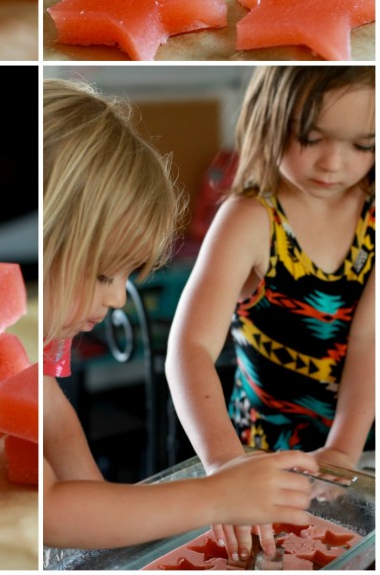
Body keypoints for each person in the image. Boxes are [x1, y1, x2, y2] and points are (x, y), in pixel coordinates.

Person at [43, 77, 317, 553]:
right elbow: (49, 512)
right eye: (104, 274)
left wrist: (104, 543)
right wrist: (215, 497)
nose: (115, 301)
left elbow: (63, 441)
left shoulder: (40, 346)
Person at [166, 65, 374, 564]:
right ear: (269, 119)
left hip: (357, 440)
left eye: (363, 145)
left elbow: (370, 340)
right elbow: (190, 349)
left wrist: (344, 451)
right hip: (259, 453)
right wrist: (223, 464)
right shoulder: (248, 219)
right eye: (310, 137)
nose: (334, 163)